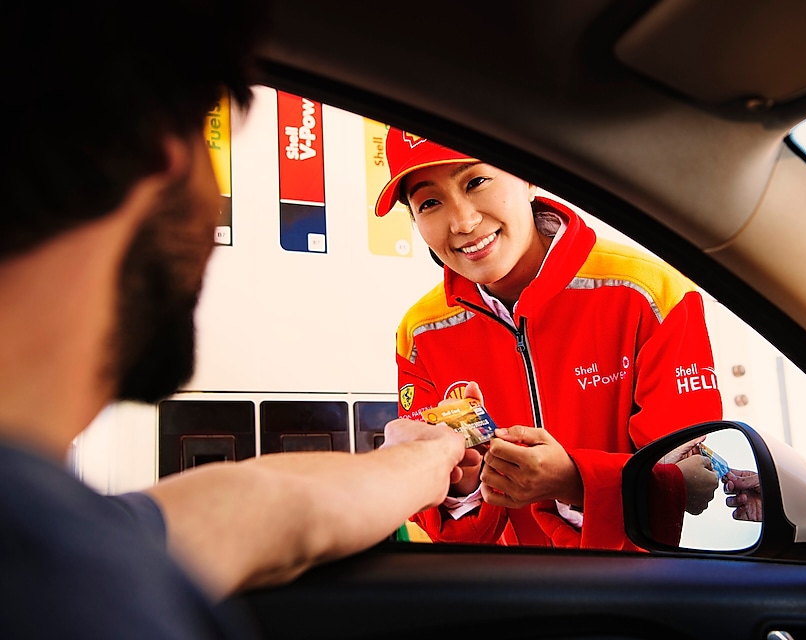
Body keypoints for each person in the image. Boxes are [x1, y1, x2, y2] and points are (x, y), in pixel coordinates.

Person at [0, 3, 466, 638]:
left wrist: (425, 459)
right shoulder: (71, 589)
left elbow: (265, 510)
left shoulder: (58, 535)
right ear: (160, 151)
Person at [375, 127, 723, 549]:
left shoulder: (652, 294)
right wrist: (460, 481)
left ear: (528, 174)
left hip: (636, 594)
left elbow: (690, 483)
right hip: (508, 600)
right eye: (429, 202)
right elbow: (444, 524)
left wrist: (575, 481)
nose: (463, 221)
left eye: (476, 181)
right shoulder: (420, 331)